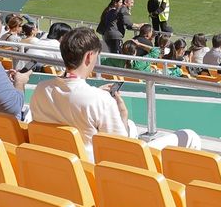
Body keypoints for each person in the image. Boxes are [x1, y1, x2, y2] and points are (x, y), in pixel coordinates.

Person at [31, 26, 197, 158]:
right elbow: (122, 151)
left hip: (64, 163)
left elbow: (72, 100)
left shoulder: (41, 89)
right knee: (189, 136)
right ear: (89, 57)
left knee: (131, 126)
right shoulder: (99, 100)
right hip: (97, 169)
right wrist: (122, 115)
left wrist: (97, 95)